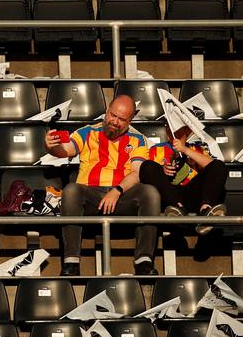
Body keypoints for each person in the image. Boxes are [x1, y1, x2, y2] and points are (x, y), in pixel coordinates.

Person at [46, 94, 163, 276]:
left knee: (150, 192)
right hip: (91, 194)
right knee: (71, 190)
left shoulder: (138, 139)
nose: (115, 122)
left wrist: (117, 190)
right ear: (107, 110)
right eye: (113, 115)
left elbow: (137, 172)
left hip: (123, 196)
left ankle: (144, 261)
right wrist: (51, 146)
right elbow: (65, 150)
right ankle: (71, 263)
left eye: (122, 119)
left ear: (130, 120)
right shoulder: (87, 132)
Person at [133, 124, 228, 235]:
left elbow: (214, 167)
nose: (172, 132)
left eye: (178, 130)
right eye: (169, 129)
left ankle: (205, 211)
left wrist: (185, 150)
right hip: (168, 195)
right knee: (147, 166)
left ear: (188, 131)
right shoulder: (156, 149)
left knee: (219, 165)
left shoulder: (198, 148)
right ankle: (178, 208)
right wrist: (162, 170)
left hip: (192, 193)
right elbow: (149, 175)